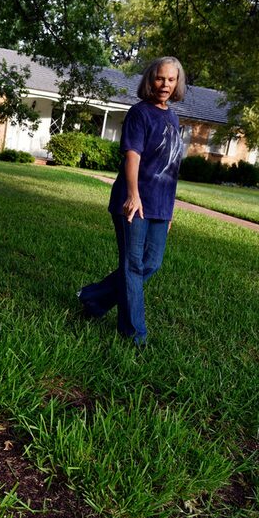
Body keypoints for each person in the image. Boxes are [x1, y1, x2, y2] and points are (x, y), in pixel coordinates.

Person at [78, 56, 186, 346]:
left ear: (178, 83)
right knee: (133, 264)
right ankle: (134, 334)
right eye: (160, 78)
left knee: (151, 263)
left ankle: (92, 298)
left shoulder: (173, 118)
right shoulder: (139, 113)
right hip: (135, 200)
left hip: (161, 205)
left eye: (171, 79)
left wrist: (170, 211)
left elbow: (172, 168)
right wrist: (133, 194)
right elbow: (132, 155)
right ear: (150, 79)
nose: (165, 85)